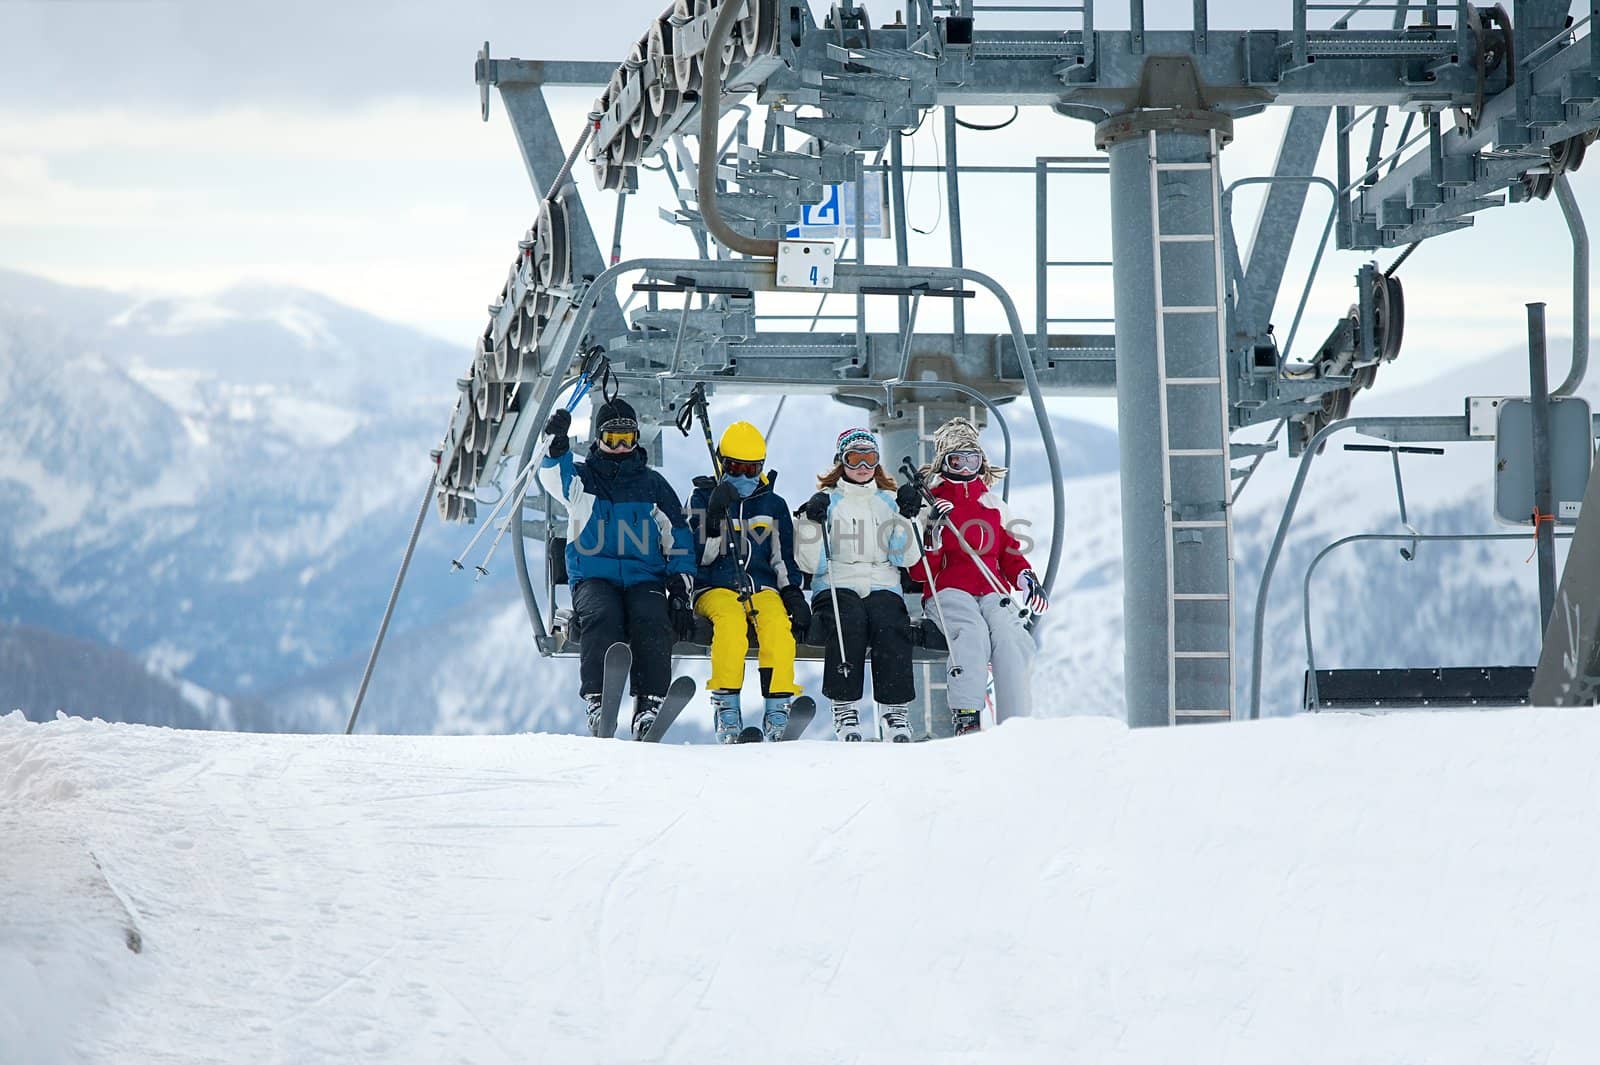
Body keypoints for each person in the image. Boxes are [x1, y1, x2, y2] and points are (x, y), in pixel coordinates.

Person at [537, 397, 697, 740]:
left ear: (638, 438)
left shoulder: (653, 485)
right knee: (602, 615)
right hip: (594, 576)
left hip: (644, 577)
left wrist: (681, 584)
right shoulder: (582, 481)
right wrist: (557, 448)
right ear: (598, 440)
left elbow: (678, 535)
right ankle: (598, 700)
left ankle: (649, 703)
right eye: (613, 439)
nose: (622, 447)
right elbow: (552, 478)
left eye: (628, 438)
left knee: (652, 618)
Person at [916, 417, 1049, 735]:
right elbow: (920, 572)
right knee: (971, 631)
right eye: (956, 461)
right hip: (949, 589)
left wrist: (1027, 580)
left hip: (991, 589)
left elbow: (1009, 554)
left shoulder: (992, 505)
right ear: (944, 463)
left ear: (982, 462)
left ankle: (1016, 722)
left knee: (1010, 635)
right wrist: (932, 529)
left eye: (972, 459)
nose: (965, 468)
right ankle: (967, 714)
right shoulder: (930, 504)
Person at [793, 428, 925, 742]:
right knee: (847, 620)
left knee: (890, 622)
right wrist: (812, 522)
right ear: (842, 462)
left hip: (882, 582)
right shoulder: (826, 501)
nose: (863, 467)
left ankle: (894, 710)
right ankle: (845, 706)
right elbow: (811, 565)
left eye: (870, 458)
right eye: (855, 459)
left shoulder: (888, 502)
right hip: (837, 582)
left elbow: (905, 558)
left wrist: (908, 517)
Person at [687, 421, 811, 744]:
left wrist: (792, 592)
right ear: (721, 463)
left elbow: (781, 558)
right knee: (729, 624)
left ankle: (777, 708)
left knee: (777, 626)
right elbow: (699, 558)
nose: (743, 477)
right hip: (714, 587)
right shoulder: (703, 497)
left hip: (760, 587)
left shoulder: (772, 505)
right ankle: (727, 709)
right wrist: (714, 520)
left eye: (751, 469)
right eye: (735, 467)